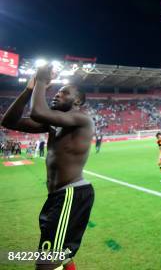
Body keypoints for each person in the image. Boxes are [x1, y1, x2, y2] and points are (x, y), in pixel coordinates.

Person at [0, 66, 95, 270]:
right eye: (58, 90)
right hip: (57, 197)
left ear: (77, 101)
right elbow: (8, 121)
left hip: (71, 194)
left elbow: (38, 111)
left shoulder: (81, 118)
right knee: (61, 255)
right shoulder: (54, 124)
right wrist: (28, 89)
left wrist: (42, 80)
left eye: (64, 92)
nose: (58, 94)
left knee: (46, 262)